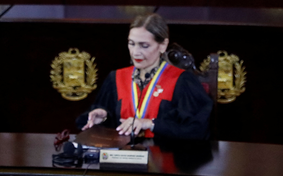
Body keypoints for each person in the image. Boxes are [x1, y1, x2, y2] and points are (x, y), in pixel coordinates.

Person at [77, 13, 213, 140]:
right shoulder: (116, 78)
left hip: (164, 160)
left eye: (144, 46)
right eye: (131, 44)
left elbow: (197, 130)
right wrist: (103, 116)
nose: (135, 52)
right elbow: (109, 125)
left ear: (162, 45)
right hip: (122, 158)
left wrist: (150, 124)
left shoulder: (182, 81)